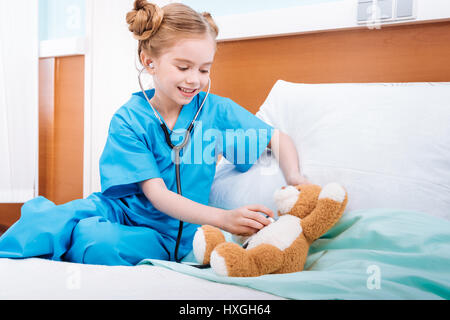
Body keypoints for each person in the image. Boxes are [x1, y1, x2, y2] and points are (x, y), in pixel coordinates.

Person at [0, 0, 309, 266]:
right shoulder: (129, 119)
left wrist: (296, 179)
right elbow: (157, 194)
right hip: (119, 211)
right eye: (183, 66)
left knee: (96, 241)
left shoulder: (217, 112)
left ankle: (77, 237)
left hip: (165, 233)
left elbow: (277, 139)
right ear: (150, 62)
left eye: (204, 69)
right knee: (43, 222)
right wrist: (223, 218)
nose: (196, 79)